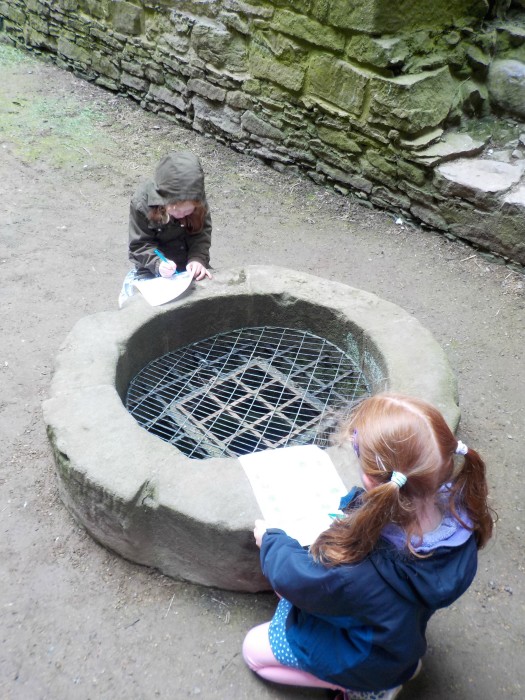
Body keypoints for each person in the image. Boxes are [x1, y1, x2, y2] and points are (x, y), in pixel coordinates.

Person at [243, 392, 494, 700]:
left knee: (254, 650)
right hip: (397, 640)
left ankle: (362, 688)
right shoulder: (462, 524)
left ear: (374, 482)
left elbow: (296, 578)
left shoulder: (355, 571)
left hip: (363, 657)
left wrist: (271, 542)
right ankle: (401, 669)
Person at [119, 151, 212, 307]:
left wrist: (197, 259)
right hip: (152, 268)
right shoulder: (142, 203)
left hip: (189, 268)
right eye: (175, 210)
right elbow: (140, 245)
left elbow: (201, 234)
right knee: (142, 307)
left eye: (187, 211)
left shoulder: (198, 201)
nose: (181, 215)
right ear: (163, 201)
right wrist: (157, 264)